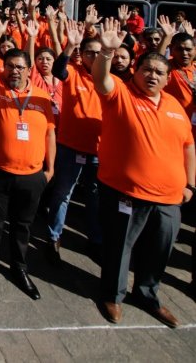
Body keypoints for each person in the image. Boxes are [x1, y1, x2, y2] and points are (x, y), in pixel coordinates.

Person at [92, 17, 194, 329]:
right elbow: (101, 80)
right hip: (126, 193)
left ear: (167, 78)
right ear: (135, 72)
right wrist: (107, 54)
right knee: (119, 247)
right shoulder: (121, 95)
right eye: (147, 69)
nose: (153, 75)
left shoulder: (176, 105)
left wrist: (190, 185)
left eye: (160, 72)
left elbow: (188, 145)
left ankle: (148, 293)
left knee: (159, 251)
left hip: (169, 198)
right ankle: (113, 294)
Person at [0, 13, 56, 300]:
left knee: (22, 226)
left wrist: (50, 170)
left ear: (29, 69)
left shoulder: (43, 98)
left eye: (20, 67)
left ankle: (19, 268)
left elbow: (50, 134)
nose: (14, 71)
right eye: (9, 66)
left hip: (32, 176)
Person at [46, 22, 104, 263]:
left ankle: (96, 240)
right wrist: (70, 45)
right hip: (70, 146)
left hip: (99, 150)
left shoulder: (110, 80)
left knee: (94, 196)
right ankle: (53, 236)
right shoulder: (74, 72)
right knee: (63, 193)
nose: (94, 56)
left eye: (99, 52)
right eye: (89, 52)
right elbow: (59, 70)